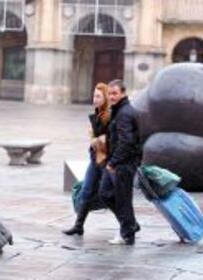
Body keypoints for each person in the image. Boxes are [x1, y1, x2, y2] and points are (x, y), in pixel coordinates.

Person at [63, 83, 110, 236]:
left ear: (105, 98)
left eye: (98, 96)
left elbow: (112, 138)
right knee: (86, 191)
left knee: (109, 195)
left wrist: (99, 139)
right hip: (95, 159)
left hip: (106, 161)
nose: (94, 99)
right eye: (94, 96)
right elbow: (93, 136)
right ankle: (78, 226)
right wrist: (94, 139)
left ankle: (130, 224)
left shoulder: (110, 116)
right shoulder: (97, 114)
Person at [98, 79, 141, 245]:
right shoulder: (118, 110)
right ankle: (130, 224)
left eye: (115, 93)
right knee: (105, 194)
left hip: (123, 163)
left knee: (122, 198)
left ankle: (128, 234)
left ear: (123, 93)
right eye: (109, 93)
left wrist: (113, 162)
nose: (112, 96)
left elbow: (127, 141)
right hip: (118, 161)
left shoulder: (124, 113)